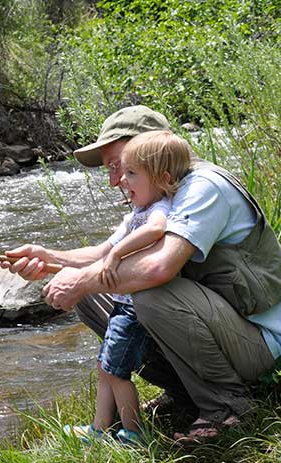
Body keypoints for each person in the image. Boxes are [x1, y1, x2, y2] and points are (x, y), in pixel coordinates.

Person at [1, 105, 281, 444]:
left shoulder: (204, 187)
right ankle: (183, 391)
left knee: (149, 293)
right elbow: (101, 256)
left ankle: (226, 406)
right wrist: (49, 258)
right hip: (225, 330)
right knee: (90, 289)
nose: (115, 181)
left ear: (151, 149)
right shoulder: (160, 194)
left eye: (119, 167)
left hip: (264, 345)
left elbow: (160, 267)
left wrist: (81, 279)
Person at [64, 130, 191, 445]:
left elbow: (157, 230)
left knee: (118, 371)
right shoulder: (137, 211)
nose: (121, 181)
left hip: (133, 309)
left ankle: (132, 433)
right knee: (104, 365)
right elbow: (100, 252)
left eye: (131, 173)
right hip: (122, 304)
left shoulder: (159, 208)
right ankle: (99, 427)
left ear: (160, 179)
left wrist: (117, 254)